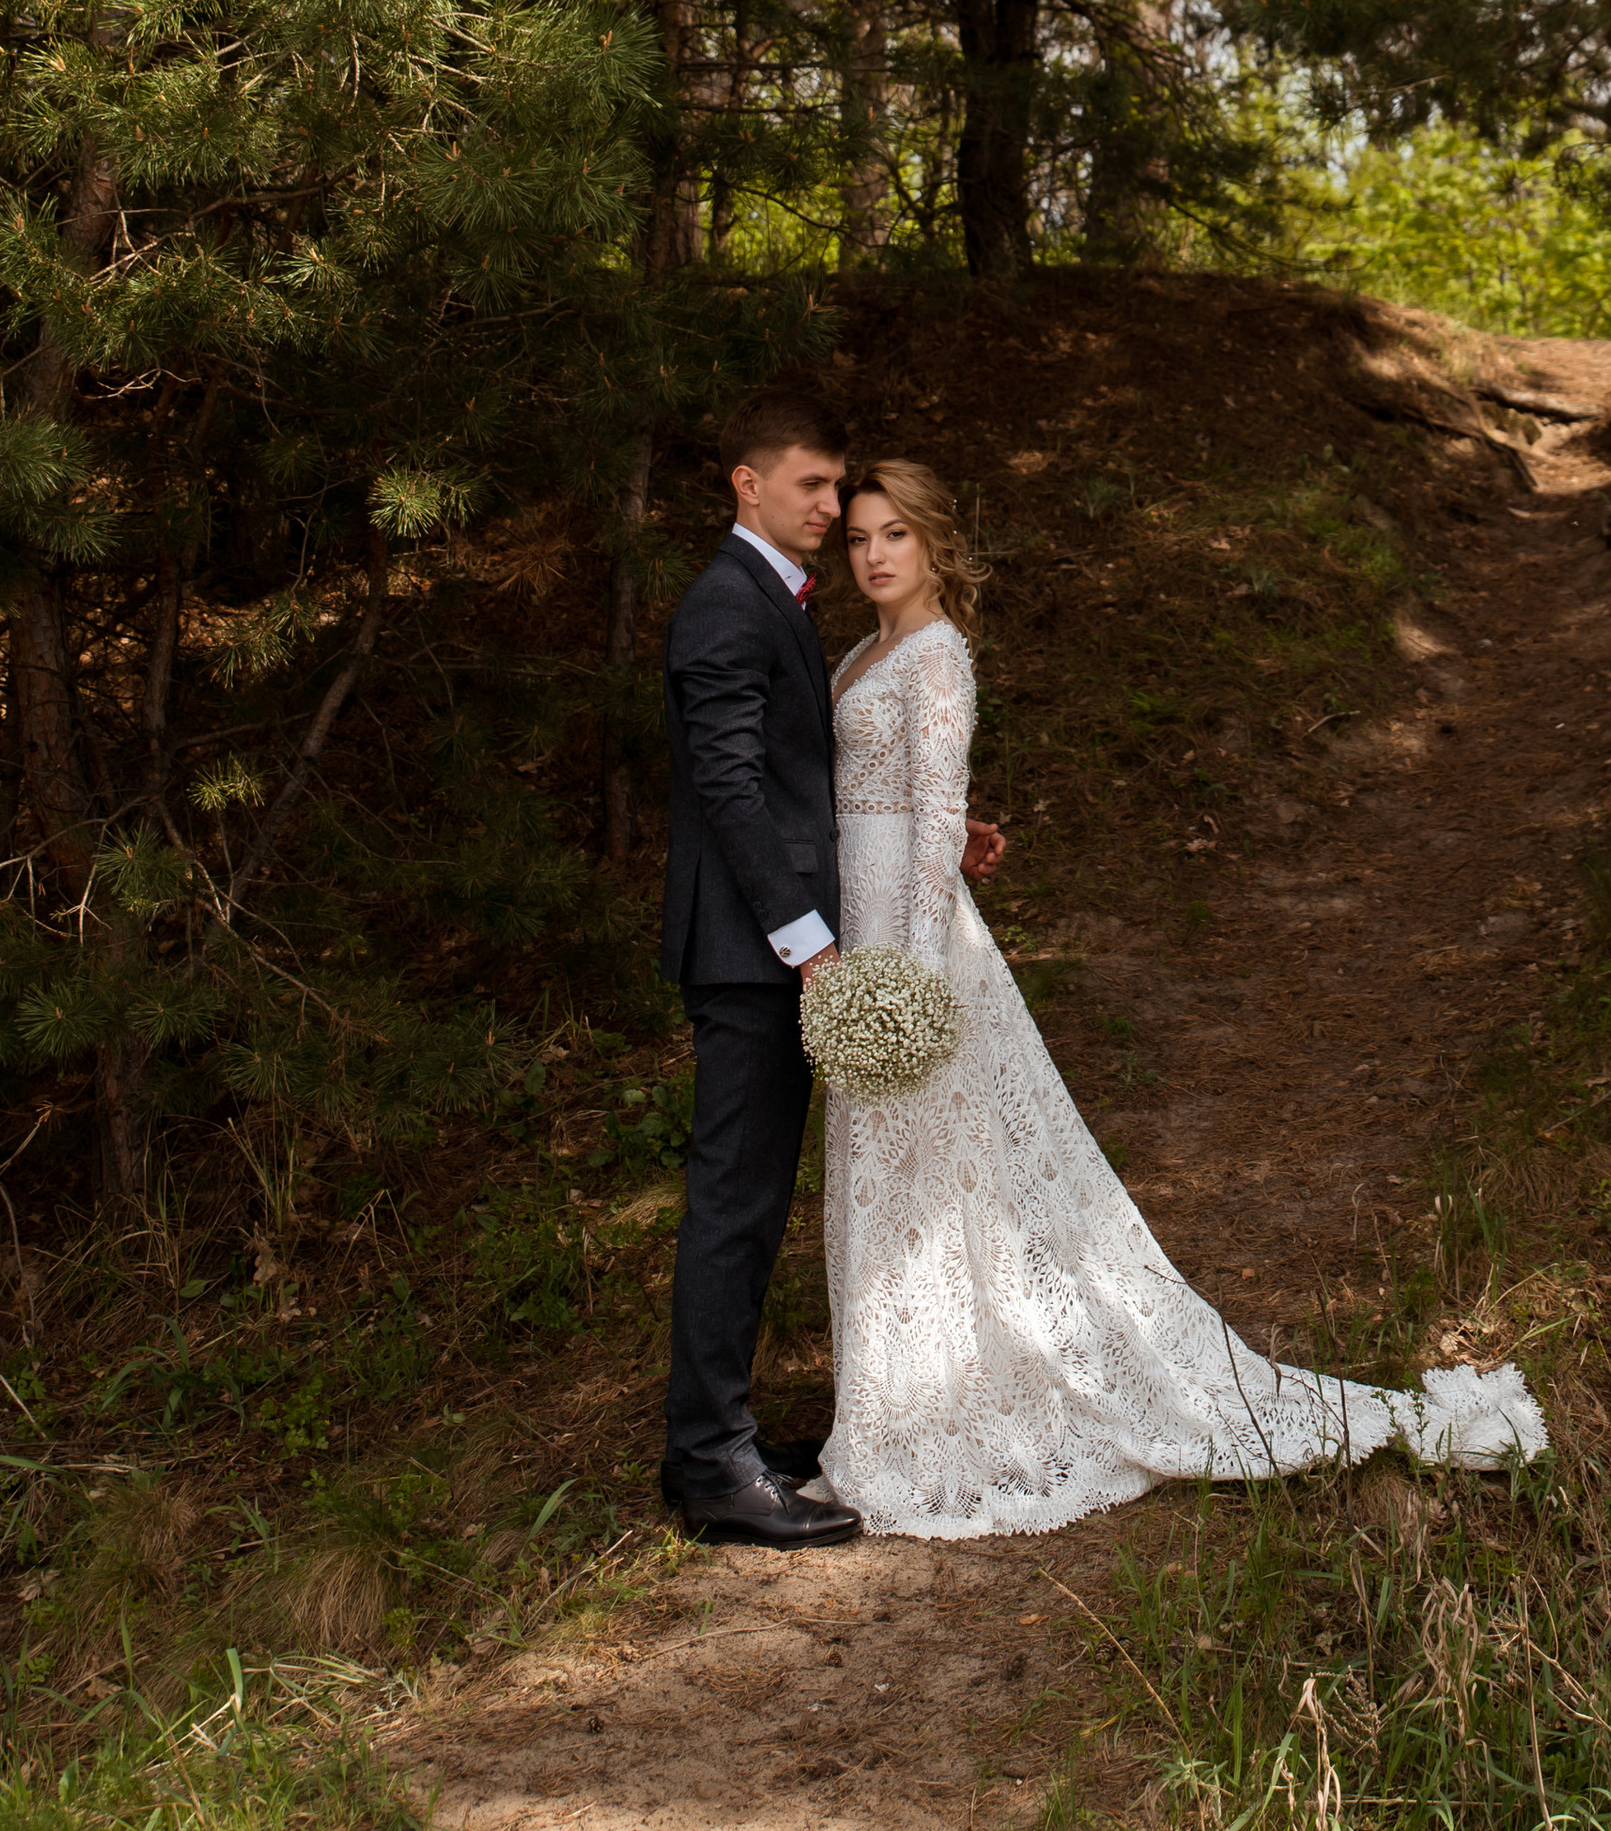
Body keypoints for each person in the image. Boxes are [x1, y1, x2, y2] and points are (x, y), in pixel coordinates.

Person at [813, 459, 1548, 1539]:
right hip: (859, 927)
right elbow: (885, 798)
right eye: (859, 537)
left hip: (913, 954)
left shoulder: (938, 659)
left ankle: (960, 1416)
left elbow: (931, 824)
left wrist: (909, 976)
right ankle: (896, 1408)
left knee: (955, 1173)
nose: (873, 555)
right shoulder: (861, 653)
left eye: (895, 536)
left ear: (933, 544)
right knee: (895, 1185)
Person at [656, 390, 1003, 1550]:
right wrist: (810, 945)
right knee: (734, 1203)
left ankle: (735, 1438)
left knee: (755, 1204)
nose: (831, 511)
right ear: (746, 483)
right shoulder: (725, 604)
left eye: (845, 496)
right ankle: (710, 1464)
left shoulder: (789, 607)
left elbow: (822, 779)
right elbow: (731, 789)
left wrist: (943, 834)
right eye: (812, 488)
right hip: (760, 950)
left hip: (804, 942)